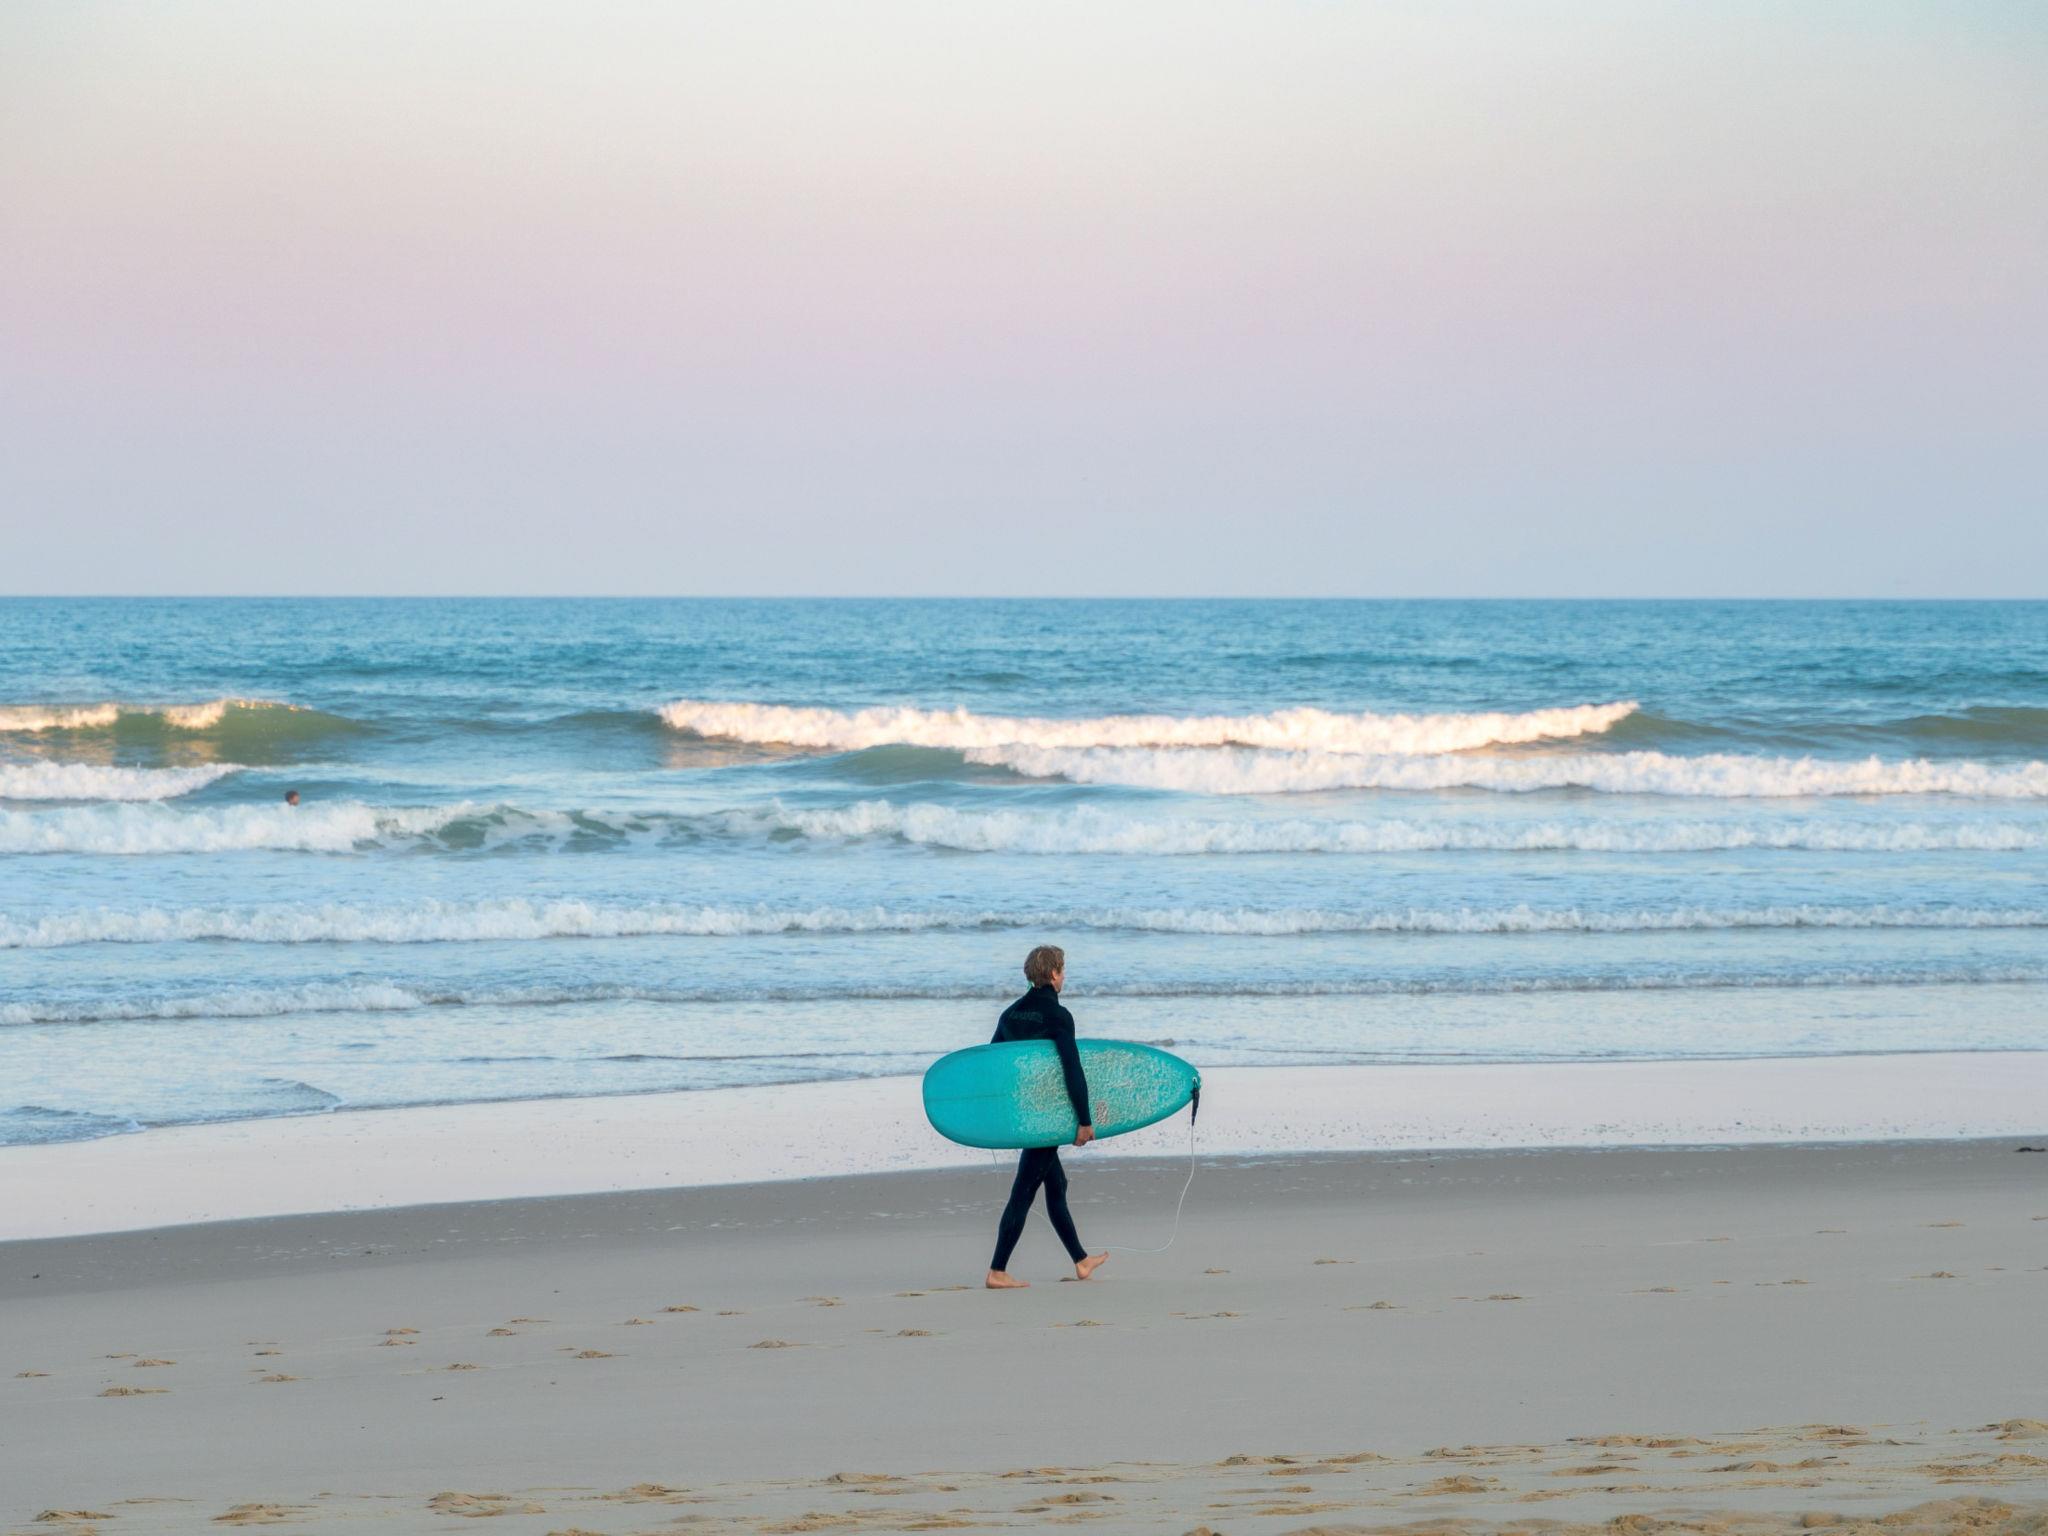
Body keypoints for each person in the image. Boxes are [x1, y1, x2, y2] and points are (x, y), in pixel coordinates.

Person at [986, 944, 1109, 1290]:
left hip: (1022, 1115)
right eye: (1063, 970)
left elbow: (992, 1066)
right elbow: (1072, 1069)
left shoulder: (1010, 1015)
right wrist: (1084, 1120)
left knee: (1056, 1184)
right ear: (1054, 974)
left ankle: (1081, 1261)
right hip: (1047, 1116)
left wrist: (999, 1117)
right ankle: (997, 1270)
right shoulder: (1058, 1016)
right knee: (1024, 1191)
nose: (1064, 976)